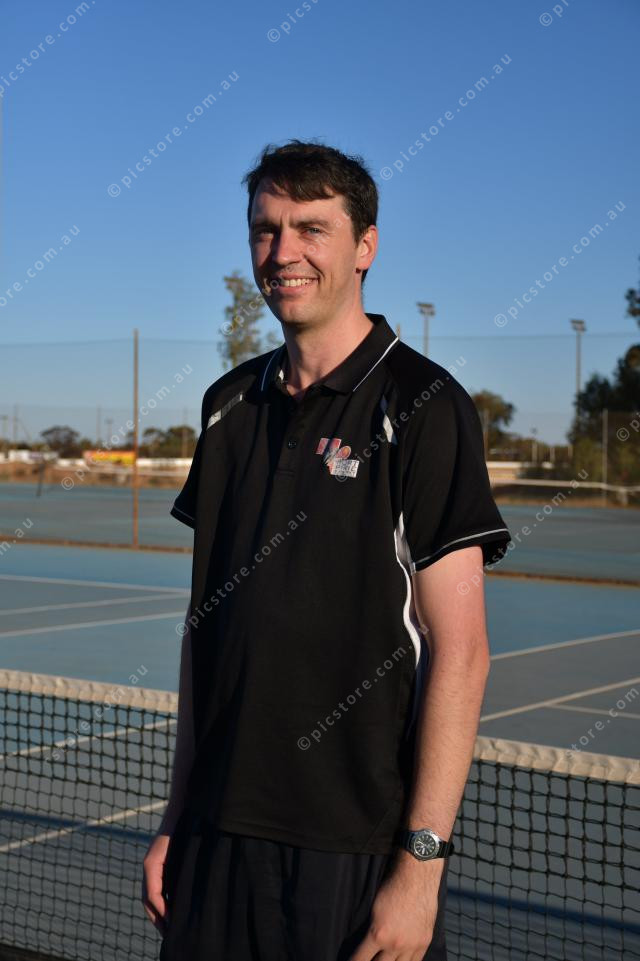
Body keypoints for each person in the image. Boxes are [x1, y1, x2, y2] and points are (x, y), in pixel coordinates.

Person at [142, 139, 511, 961]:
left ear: (365, 246)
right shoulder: (226, 406)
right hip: (213, 837)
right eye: (265, 229)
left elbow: (462, 650)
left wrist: (420, 870)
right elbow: (206, 630)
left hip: (352, 854)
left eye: (311, 227)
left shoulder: (424, 405)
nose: (284, 252)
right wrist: (175, 815)